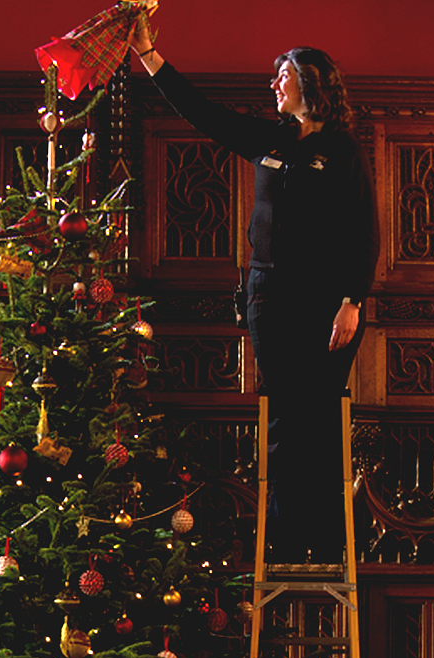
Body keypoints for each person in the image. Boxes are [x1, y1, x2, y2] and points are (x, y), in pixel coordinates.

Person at [131, 17, 379, 564]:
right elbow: (204, 114)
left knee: (316, 415)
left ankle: (328, 540)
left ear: (310, 84)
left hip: (327, 304)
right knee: (286, 412)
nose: (273, 86)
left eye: (282, 76)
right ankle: (285, 540)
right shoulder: (272, 139)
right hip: (269, 295)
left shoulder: (342, 151)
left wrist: (352, 300)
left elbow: (365, 231)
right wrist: (152, 57)